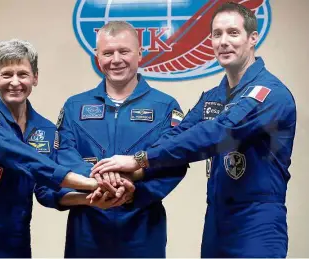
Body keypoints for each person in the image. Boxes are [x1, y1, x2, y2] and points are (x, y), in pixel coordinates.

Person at [91, 2, 297, 258]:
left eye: (233, 33)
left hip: (257, 220)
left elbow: (219, 133)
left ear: (252, 38)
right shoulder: (213, 97)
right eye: (217, 34)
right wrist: (130, 175)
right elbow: (178, 135)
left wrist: (139, 159)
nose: (223, 41)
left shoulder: (269, 93)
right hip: (216, 221)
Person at [37, 21, 187, 257]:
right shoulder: (75, 106)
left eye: (124, 51)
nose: (116, 59)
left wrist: (132, 194)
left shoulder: (165, 106)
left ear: (139, 53)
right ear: (97, 56)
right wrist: (98, 182)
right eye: (107, 53)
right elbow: (62, 154)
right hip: (87, 228)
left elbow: (173, 161)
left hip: (143, 229)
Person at [0, 39, 100, 258]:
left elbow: (46, 190)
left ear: (35, 77)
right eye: (7, 74)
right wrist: (91, 183)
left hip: (16, 238)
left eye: (23, 74)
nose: (15, 82)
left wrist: (91, 196)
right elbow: (21, 157)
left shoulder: (46, 129)